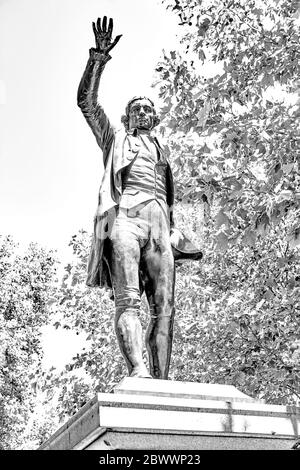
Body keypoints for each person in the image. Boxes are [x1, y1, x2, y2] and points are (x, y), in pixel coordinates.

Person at [77, 17, 202, 379]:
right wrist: (97, 59)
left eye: (148, 108)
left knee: (165, 307)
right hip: (125, 220)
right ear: (127, 116)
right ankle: (138, 372)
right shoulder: (115, 137)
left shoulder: (163, 149)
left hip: (161, 226)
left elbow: (170, 196)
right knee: (129, 299)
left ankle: (162, 383)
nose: (143, 112)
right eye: (137, 108)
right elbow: (87, 102)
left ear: (156, 117)